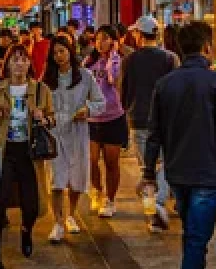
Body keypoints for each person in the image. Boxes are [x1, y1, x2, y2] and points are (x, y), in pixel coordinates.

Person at [139, 22, 216, 269]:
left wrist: (149, 172)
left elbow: (154, 134)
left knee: (191, 233)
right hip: (207, 174)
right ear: (207, 47)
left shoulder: (165, 84)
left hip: (177, 173)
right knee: (196, 240)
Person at [0, 45, 52, 269]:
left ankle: (26, 230)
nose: (19, 64)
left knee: (31, 205)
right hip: (5, 152)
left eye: (23, 59)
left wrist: (43, 118)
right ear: (8, 64)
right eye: (15, 59)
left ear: (29, 64)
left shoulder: (41, 90)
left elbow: (52, 121)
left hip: (29, 154)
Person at [120, 15, 178, 233]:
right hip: (167, 120)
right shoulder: (170, 59)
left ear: (138, 35)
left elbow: (123, 92)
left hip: (140, 119)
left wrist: (128, 110)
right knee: (167, 163)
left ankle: (154, 211)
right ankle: (159, 204)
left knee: (147, 169)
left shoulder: (130, 61)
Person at [43, 36, 104, 243]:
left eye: (62, 51)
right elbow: (40, 104)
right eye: (55, 53)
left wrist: (87, 110)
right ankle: (58, 222)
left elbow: (99, 101)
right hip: (54, 133)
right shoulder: (47, 79)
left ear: (70, 51)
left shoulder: (85, 76)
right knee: (56, 180)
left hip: (77, 133)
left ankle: (71, 214)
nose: (59, 56)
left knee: (76, 178)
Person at [84, 26, 126, 218]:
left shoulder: (118, 61)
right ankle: (97, 190)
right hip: (92, 117)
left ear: (114, 41)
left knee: (111, 162)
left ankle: (110, 199)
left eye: (106, 38)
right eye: (98, 39)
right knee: (92, 160)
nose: (100, 42)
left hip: (113, 116)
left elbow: (113, 79)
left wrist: (113, 58)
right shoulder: (89, 62)